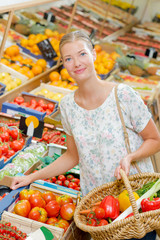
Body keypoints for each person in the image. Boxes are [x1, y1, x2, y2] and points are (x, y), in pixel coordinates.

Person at [11, 30, 160, 240]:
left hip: (134, 203)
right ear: (63, 63)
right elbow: (72, 156)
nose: (77, 63)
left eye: (82, 54)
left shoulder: (123, 95)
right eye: (69, 59)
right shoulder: (67, 106)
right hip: (97, 209)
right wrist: (30, 177)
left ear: (93, 55)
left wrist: (130, 157)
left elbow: (154, 140)